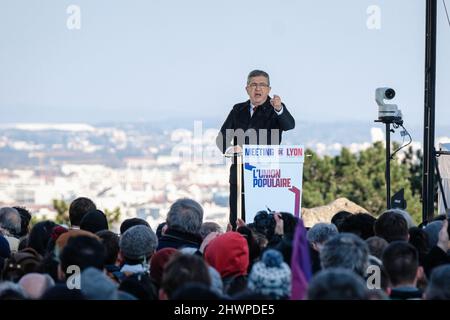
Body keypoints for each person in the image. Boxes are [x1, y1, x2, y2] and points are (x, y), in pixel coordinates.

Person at [216, 70, 295, 229]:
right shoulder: (238, 109)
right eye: (253, 85)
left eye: (262, 85)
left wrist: (279, 108)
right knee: (238, 219)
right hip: (239, 173)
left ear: (269, 89)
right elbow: (221, 138)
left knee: (264, 222)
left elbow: (289, 125)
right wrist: (231, 149)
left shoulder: (276, 109)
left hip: (265, 175)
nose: (257, 88)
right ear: (247, 89)